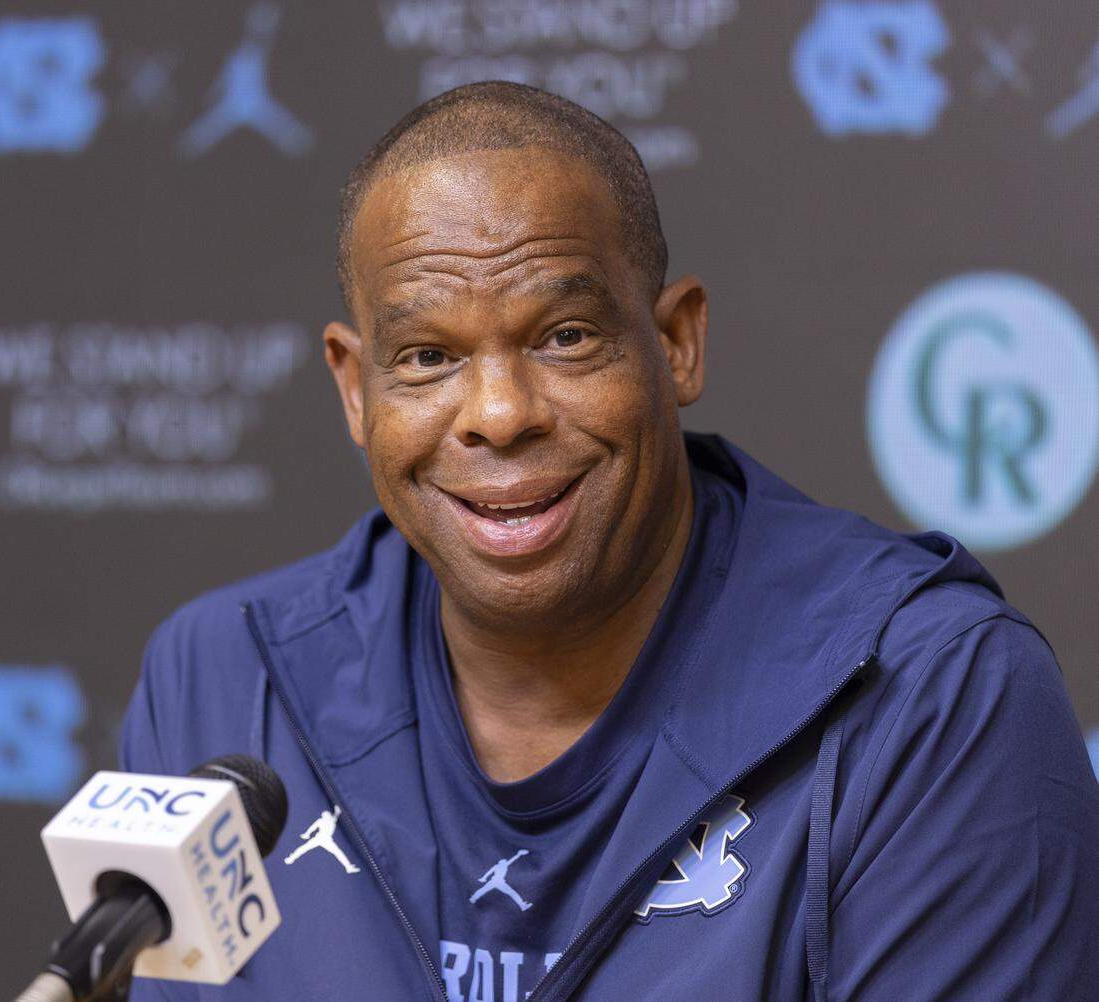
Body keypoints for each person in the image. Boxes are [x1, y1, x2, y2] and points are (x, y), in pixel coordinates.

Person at [122, 82, 1099, 1001]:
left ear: (676, 343)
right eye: (427, 358)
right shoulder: (218, 683)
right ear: (354, 387)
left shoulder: (932, 694)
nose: (498, 415)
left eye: (566, 337)